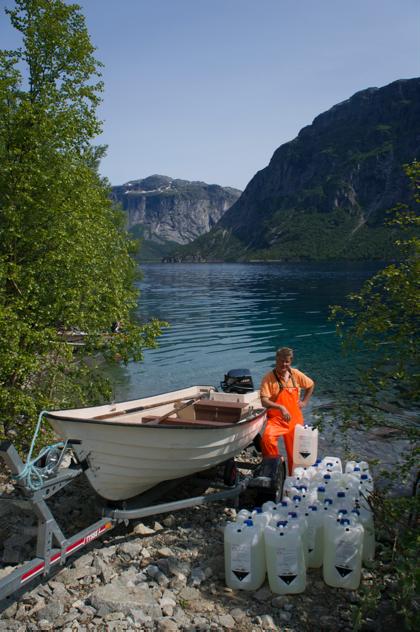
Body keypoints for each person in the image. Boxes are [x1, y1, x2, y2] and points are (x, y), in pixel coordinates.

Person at [260, 347, 314, 475]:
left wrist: (304, 402)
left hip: (294, 420)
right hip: (276, 420)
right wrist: (281, 407)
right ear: (276, 360)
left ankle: (293, 477)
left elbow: (311, 385)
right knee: (267, 439)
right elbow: (264, 401)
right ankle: (275, 468)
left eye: (287, 361)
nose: (283, 364)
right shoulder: (268, 378)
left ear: (290, 361)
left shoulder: (296, 374)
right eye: (281, 361)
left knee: (295, 454)